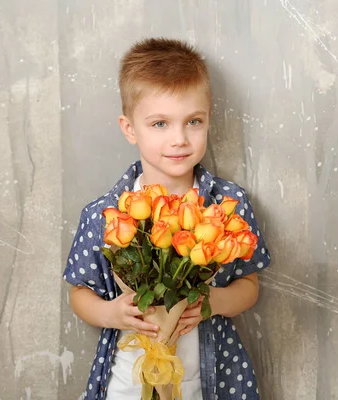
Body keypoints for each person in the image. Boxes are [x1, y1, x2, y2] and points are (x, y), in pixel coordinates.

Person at [63, 37, 271, 400]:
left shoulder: (227, 204)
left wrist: (211, 302)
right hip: (129, 380)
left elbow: (248, 286)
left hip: (209, 379)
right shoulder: (106, 214)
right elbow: (79, 293)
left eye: (193, 121)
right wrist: (111, 313)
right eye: (160, 124)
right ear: (129, 129)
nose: (179, 139)